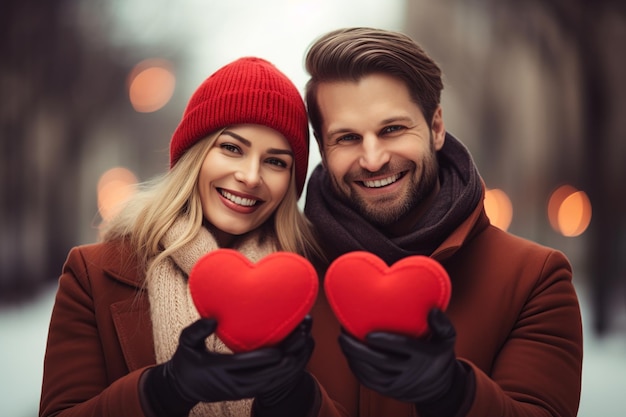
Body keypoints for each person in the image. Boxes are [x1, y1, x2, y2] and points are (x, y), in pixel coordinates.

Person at [302, 27, 583, 416]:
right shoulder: (288, 271)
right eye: (347, 138)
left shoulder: (534, 279)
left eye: (392, 129)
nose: (372, 159)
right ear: (322, 147)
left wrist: (455, 393)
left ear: (435, 127)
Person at [39, 57, 325, 417]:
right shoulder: (92, 273)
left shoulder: (312, 284)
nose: (251, 176)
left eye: (276, 162)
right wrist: (162, 390)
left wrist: (299, 402)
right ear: (195, 155)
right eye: (232, 148)